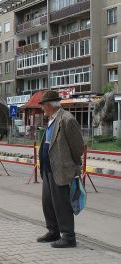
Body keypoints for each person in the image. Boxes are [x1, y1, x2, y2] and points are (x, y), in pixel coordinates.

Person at [37, 90, 84, 248]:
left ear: (50, 106)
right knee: (48, 203)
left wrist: (72, 165)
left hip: (61, 169)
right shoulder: (51, 119)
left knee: (62, 204)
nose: (42, 109)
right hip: (48, 169)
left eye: (43, 106)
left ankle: (69, 237)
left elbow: (77, 146)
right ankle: (53, 231)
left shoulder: (67, 119)